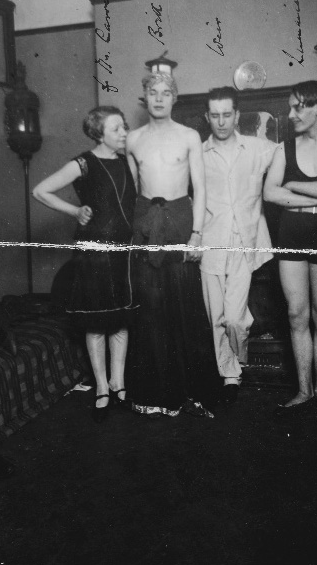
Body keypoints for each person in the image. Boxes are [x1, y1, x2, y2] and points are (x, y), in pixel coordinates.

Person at [32, 106, 137, 423]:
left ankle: (119, 384)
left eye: (124, 127)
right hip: (92, 252)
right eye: (116, 128)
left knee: (119, 318)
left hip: (122, 251)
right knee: (95, 321)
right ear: (99, 133)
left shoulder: (126, 161)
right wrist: (74, 211)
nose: (123, 133)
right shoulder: (83, 163)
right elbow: (41, 191)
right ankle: (101, 388)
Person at [126, 71, 220, 417]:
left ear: (174, 98)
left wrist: (197, 234)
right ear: (145, 98)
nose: (160, 98)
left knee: (185, 304)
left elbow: (201, 188)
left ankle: (193, 391)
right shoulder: (132, 139)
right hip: (146, 224)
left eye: (166, 92)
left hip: (181, 222)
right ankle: (155, 395)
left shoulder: (190, 136)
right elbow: (131, 191)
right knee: (150, 307)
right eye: (153, 92)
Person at [263, 81, 317, 413]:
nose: (291, 114)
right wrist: (314, 192)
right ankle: (303, 390)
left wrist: (292, 183)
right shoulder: (282, 149)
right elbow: (269, 194)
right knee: (296, 313)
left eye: (297, 106)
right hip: (291, 233)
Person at [201, 87, 277, 405]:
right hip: (210, 243)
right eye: (214, 115)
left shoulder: (260, 148)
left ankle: (238, 360)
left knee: (233, 317)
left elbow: (297, 158)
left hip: (245, 241)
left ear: (237, 115)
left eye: (226, 114)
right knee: (214, 317)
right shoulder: (198, 153)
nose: (221, 122)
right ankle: (229, 374)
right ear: (207, 117)